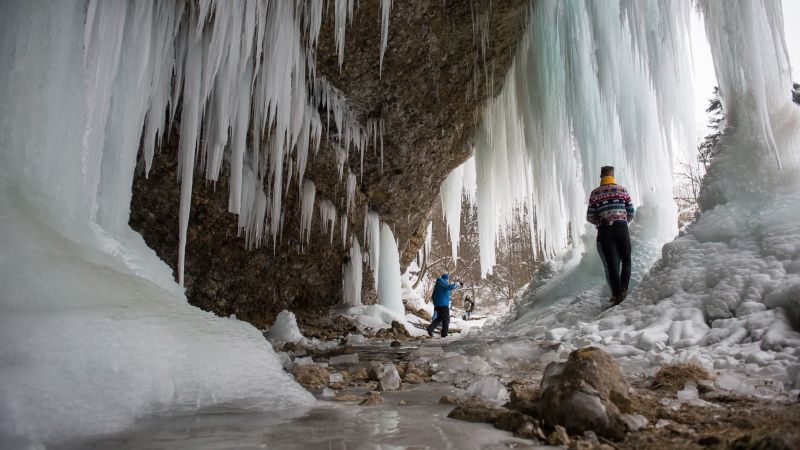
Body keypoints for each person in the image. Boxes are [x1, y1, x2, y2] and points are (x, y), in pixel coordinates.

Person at [586, 166, 635, 306]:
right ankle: (624, 289)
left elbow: (590, 216)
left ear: (600, 176)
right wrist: (623, 221)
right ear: (612, 176)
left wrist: (601, 221)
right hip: (621, 229)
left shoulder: (595, 194)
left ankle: (617, 294)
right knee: (626, 260)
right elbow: (631, 211)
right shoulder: (622, 190)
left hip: (605, 231)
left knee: (612, 265)